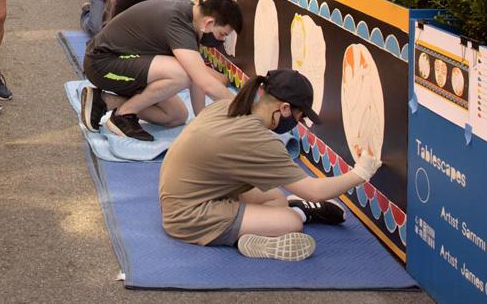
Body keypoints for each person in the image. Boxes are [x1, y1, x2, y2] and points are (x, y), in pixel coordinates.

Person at [158, 70, 382, 262]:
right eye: (299, 116)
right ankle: (285, 221)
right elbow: (314, 191)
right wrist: (361, 172)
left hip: (184, 195)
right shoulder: (258, 140)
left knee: (276, 197)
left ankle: (271, 219)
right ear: (284, 109)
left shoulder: (229, 106)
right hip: (187, 216)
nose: (297, 122)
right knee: (290, 222)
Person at [79, 0, 244, 141]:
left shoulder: (189, 15)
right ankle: (123, 115)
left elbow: (198, 78)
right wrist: (245, 112)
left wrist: (201, 118)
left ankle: (105, 101)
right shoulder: (177, 23)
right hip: (101, 64)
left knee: (176, 116)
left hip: (124, 61)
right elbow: (202, 80)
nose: (220, 41)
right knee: (182, 74)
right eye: (222, 35)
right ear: (209, 23)